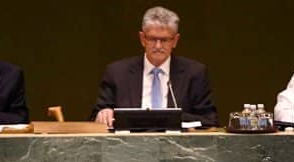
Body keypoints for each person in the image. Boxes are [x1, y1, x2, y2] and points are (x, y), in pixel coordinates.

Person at [90, 6, 218, 128]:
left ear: (175, 41)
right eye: (152, 39)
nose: (157, 46)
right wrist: (103, 113)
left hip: (178, 147)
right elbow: (95, 117)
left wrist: (169, 119)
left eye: (164, 40)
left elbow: (210, 120)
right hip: (128, 146)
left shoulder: (194, 73)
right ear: (142, 38)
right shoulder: (117, 73)